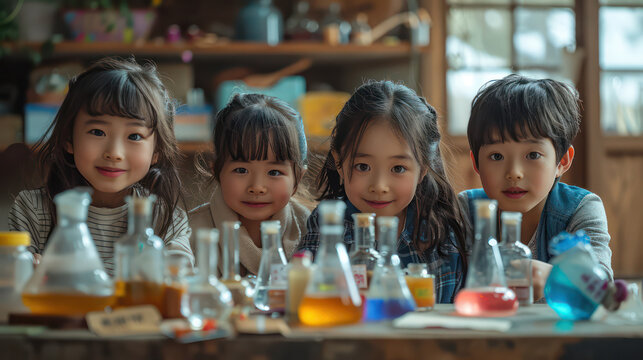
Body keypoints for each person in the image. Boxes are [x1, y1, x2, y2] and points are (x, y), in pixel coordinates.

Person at [8, 57, 194, 274]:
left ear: (157, 152)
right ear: (68, 139)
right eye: (97, 132)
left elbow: (180, 281)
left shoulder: (166, 219)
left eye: (134, 136)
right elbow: (17, 286)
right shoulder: (33, 209)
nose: (114, 153)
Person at [297, 80, 469, 303]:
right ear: (339, 163)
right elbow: (310, 300)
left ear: (423, 169)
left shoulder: (440, 230)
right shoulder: (329, 224)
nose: (379, 185)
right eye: (363, 167)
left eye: (398, 168)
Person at [461, 74, 613, 301]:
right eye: (496, 156)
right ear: (476, 163)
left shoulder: (581, 208)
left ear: (562, 161)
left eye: (533, 155)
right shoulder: (464, 210)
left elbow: (602, 287)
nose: (514, 172)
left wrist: (555, 278)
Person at [189, 93, 311, 276]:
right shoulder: (190, 232)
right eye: (241, 170)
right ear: (217, 171)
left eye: (274, 172)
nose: (257, 187)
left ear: (298, 178)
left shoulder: (309, 228)